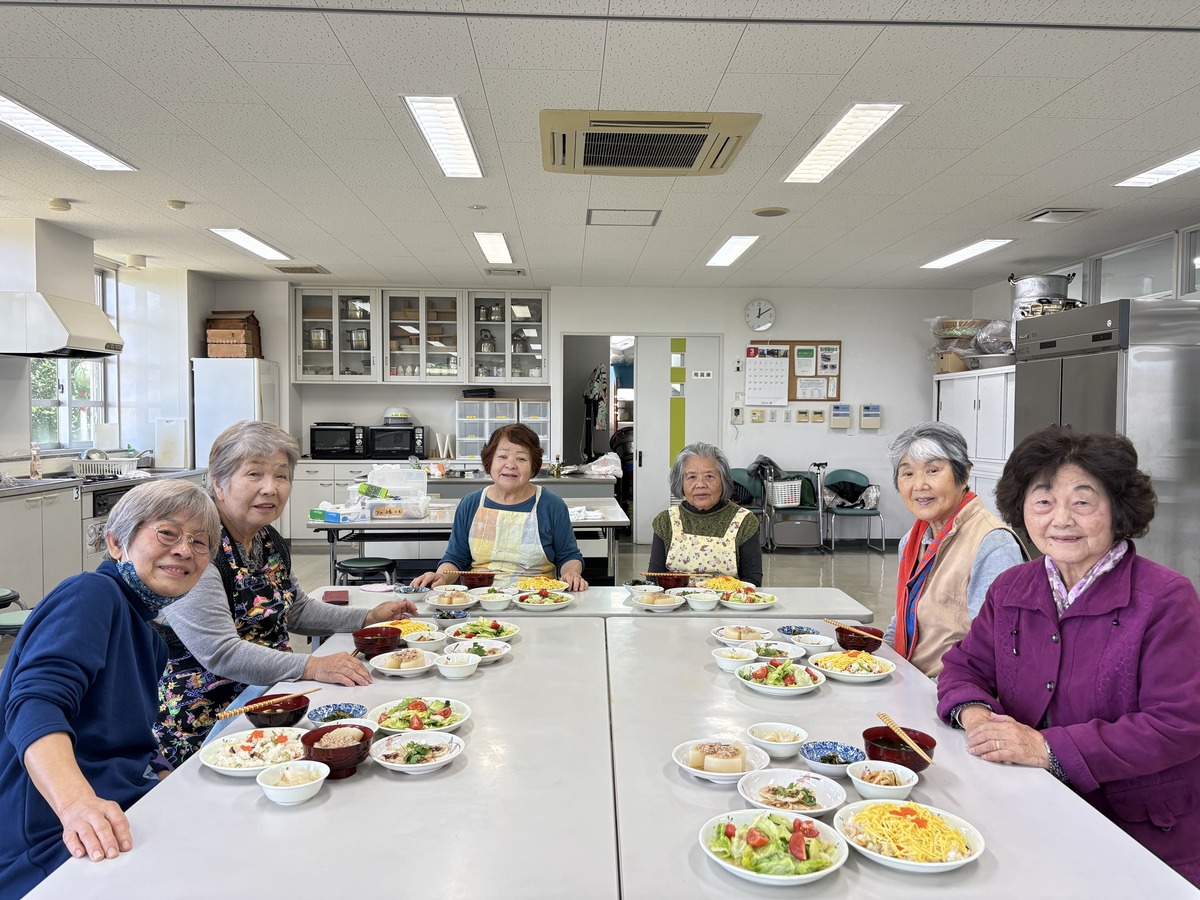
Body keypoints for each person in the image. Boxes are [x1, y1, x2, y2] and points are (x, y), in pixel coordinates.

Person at [937, 427, 1200, 887]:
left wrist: (1047, 748)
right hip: (1025, 808)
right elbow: (964, 668)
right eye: (1043, 501)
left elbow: (1178, 724)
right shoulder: (1013, 586)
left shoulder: (1166, 599)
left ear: (1119, 512)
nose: (1061, 520)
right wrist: (978, 718)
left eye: (1083, 501)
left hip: (1139, 832)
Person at [154, 421, 418, 767]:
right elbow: (221, 653)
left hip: (275, 699)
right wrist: (312, 665)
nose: (270, 488)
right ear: (218, 483)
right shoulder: (197, 547)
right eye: (254, 474)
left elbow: (296, 612)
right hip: (213, 721)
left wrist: (368, 617)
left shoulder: (268, 540)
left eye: (281, 476)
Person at [0, 480, 219, 894]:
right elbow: (34, 704)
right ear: (116, 542)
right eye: (167, 533)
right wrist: (75, 804)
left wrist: (164, 772)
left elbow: (129, 732)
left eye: (201, 542)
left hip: (120, 812)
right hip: (53, 836)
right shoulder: (91, 594)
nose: (185, 550)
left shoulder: (149, 636)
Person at [883, 422, 1025, 678]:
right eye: (907, 474)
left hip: (948, 692)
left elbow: (993, 648)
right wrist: (874, 664)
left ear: (964, 474)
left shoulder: (993, 544)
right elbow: (902, 621)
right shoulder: (912, 541)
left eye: (933, 470)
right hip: (908, 680)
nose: (920, 485)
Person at [412, 424, 587, 590]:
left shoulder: (551, 505)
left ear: (534, 466)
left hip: (536, 597)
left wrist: (571, 574)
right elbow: (456, 558)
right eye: (502, 456)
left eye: (521, 458)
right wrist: (441, 576)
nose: (510, 465)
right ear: (490, 461)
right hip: (479, 596)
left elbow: (569, 556)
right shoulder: (471, 504)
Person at [647, 443, 763, 585]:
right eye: (692, 477)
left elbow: (753, 582)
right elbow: (653, 579)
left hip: (727, 604)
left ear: (723, 481)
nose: (700, 484)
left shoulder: (745, 521)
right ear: (681, 483)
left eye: (709, 476)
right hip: (677, 604)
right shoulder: (665, 521)